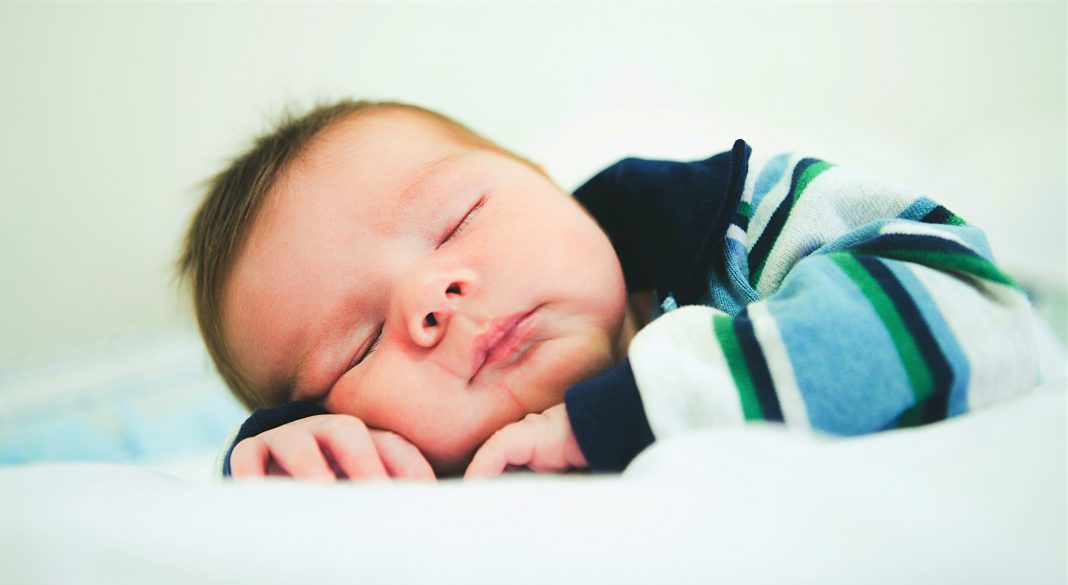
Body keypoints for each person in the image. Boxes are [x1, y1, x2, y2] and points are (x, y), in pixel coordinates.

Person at [178, 99, 1040, 481]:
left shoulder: (742, 220)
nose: (432, 297)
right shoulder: (432, 458)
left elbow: (971, 305)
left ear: (548, 183)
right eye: (359, 344)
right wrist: (297, 457)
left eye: (455, 222)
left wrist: (638, 407)